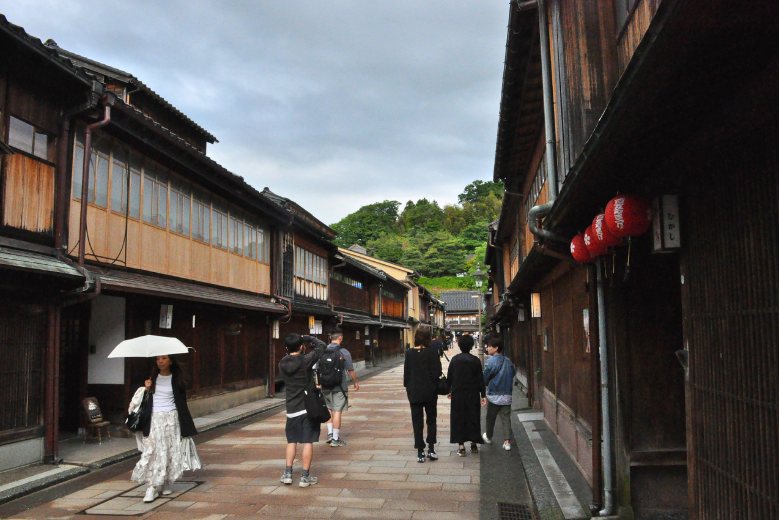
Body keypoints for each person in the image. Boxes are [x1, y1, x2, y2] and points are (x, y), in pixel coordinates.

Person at [131, 355, 201, 503]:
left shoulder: (177, 379)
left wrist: (185, 424)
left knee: (169, 450)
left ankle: (165, 481)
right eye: (158, 359)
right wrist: (147, 389)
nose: (160, 361)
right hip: (154, 419)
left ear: (170, 361)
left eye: (164, 358)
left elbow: (182, 402)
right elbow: (144, 402)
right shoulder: (152, 378)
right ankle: (152, 486)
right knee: (154, 451)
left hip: (172, 419)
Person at [278, 333, 327, 487]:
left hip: (291, 408)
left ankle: (287, 474)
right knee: (307, 441)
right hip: (307, 407)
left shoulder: (282, 363)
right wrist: (307, 337)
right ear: (301, 347)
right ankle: (305, 477)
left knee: (291, 441)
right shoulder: (305, 360)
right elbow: (322, 346)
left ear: (286, 348)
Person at [403, 325, 442, 463]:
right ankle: (431, 449)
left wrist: (408, 388)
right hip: (430, 392)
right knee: (431, 420)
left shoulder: (409, 353)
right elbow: (438, 372)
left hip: (414, 392)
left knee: (417, 421)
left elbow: (406, 374)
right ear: (428, 338)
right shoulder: (433, 352)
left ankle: (420, 451)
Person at [447, 334, 486, 456]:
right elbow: (481, 379)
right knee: (473, 417)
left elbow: (450, 378)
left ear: (459, 345)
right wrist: (483, 395)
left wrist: (449, 390)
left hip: (458, 394)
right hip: (473, 394)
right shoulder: (475, 361)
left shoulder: (455, 360)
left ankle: (461, 446)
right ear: (471, 345)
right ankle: (474, 444)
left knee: (459, 418)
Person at [320, 331, 360, 447]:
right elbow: (350, 369)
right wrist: (355, 382)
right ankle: (335, 439)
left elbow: (316, 368)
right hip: (339, 387)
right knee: (337, 411)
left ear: (331, 339)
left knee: (329, 409)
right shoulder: (343, 352)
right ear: (340, 339)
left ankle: (330, 434)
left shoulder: (322, 351)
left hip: (325, 386)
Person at [481, 335, 517, 451]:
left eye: (489, 346)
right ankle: (507, 442)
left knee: (491, 417)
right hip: (507, 394)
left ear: (496, 348)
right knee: (506, 418)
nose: (487, 348)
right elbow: (513, 373)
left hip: (494, 394)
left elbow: (485, 378)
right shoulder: (508, 361)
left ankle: (489, 436)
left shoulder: (490, 362)